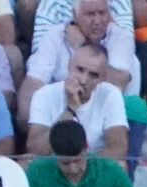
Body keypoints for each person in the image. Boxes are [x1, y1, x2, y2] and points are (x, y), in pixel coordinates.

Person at [17, 0, 131, 147]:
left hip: (105, 112)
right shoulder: (55, 35)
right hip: (62, 113)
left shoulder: (120, 35)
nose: (97, 21)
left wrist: (82, 47)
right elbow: (33, 83)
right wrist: (35, 123)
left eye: (102, 13)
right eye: (90, 14)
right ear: (74, 16)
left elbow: (119, 84)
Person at [24, 41, 125, 157]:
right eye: (80, 70)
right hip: (55, 164)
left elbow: (118, 149)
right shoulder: (44, 94)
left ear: (103, 78)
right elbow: (36, 149)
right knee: (26, 162)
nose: (83, 80)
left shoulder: (111, 94)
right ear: (69, 65)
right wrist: (70, 109)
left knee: (121, 165)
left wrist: (81, 163)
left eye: (93, 75)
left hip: (95, 165)